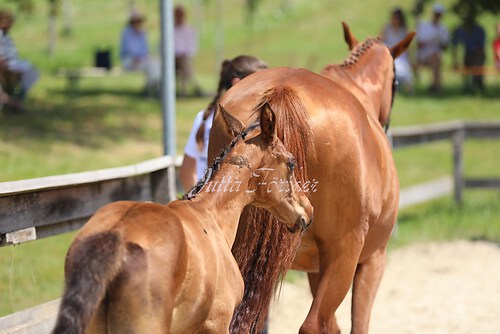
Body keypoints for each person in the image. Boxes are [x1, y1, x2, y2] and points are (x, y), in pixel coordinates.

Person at [179, 55, 268, 191]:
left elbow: (187, 172)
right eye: (261, 84)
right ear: (237, 83)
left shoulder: (204, 117)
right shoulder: (250, 123)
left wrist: (197, 203)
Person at [0, 10, 39, 101]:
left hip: (11, 63)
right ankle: (13, 101)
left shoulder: (6, 35)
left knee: (32, 72)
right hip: (6, 65)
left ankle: (17, 98)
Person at [119, 10, 160, 96]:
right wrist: (138, 57)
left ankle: (152, 87)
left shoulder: (142, 33)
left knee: (156, 64)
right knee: (151, 66)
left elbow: (145, 49)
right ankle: (150, 88)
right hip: (130, 59)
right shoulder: (127, 33)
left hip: (141, 59)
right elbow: (128, 49)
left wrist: (145, 56)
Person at [416, 3, 449, 92]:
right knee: (435, 58)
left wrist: (439, 42)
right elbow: (419, 44)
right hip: (424, 55)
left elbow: (445, 47)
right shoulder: (424, 26)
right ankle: (437, 86)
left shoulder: (443, 28)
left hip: (436, 55)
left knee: (436, 58)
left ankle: (435, 85)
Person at [381, 8, 414, 93]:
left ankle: (399, 86)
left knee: (401, 71)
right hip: (387, 54)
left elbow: (408, 48)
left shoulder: (404, 30)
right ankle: (394, 87)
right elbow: (380, 41)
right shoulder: (386, 28)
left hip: (400, 56)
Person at [452, 17, 486, 93]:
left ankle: (476, 85)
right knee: (467, 65)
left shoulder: (479, 30)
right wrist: (455, 61)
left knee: (476, 64)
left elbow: (480, 48)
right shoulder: (460, 30)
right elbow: (454, 45)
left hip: (478, 54)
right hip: (468, 54)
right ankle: (468, 86)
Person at [174, 5, 201, 97]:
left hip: (183, 58)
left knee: (183, 62)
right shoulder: (169, 29)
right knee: (184, 63)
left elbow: (192, 47)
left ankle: (185, 89)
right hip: (171, 59)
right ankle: (194, 87)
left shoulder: (189, 30)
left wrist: (183, 54)